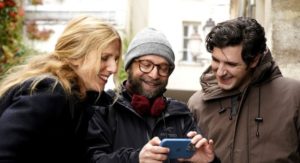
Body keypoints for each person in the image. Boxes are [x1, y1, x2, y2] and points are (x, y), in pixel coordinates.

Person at [86, 27, 220, 163]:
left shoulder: (182, 115)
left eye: (163, 68)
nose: (154, 74)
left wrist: (210, 161)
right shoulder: (103, 107)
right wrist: (136, 159)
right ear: (128, 66)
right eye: (146, 64)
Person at [0, 15, 121, 163]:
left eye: (115, 59)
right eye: (104, 57)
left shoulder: (76, 99)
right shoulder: (49, 93)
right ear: (76, 55)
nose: (113, 68)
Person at [188, 17, 300, 163]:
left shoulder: (294, 96)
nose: (220, 72)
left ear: (254, 60)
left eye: (231, 64)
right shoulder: (197, 104)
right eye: (216, 60)